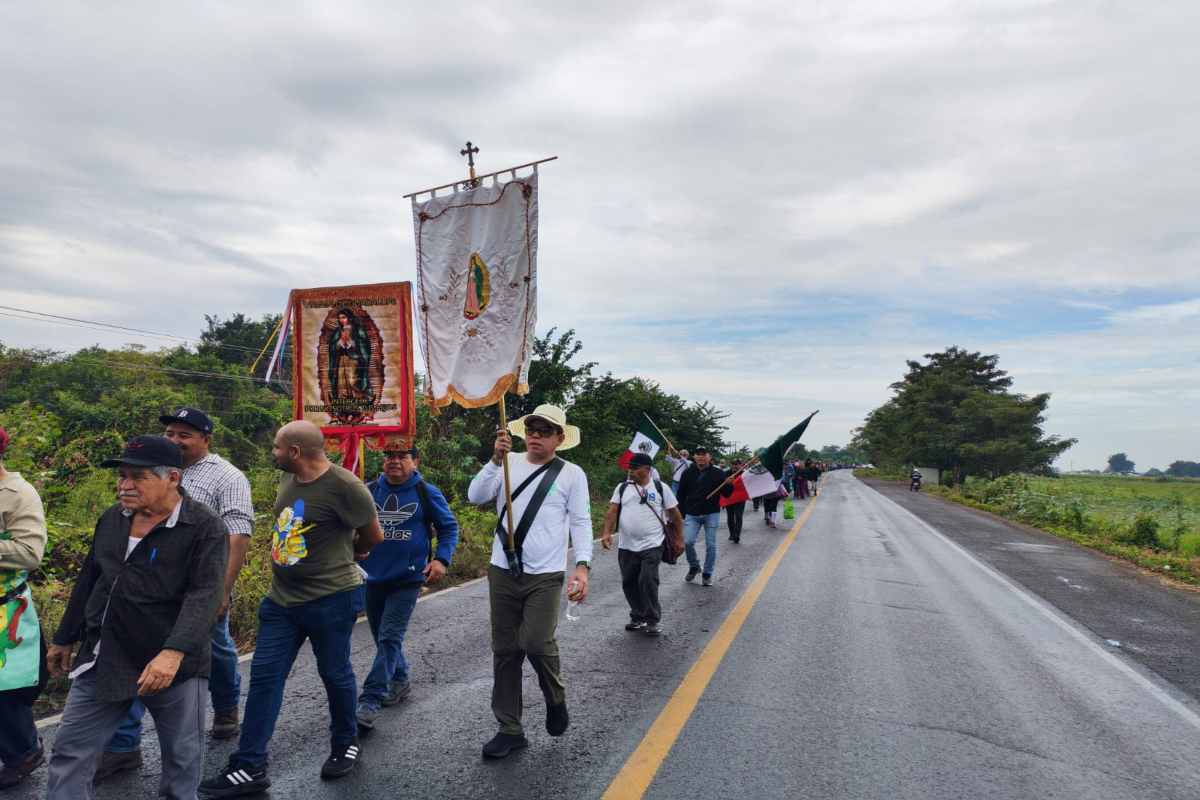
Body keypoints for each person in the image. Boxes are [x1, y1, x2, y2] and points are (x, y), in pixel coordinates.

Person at [200, 421, 382, 797]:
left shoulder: (346, 487)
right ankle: (250, 765)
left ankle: (345, 742)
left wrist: (353, 553)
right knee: (265, 678)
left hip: (332, 598)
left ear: (295, 452)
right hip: (281, 601)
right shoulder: (288, 481)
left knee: (335, 674)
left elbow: (373, 535)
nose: (273, 452)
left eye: (277, 447)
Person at [45, 436, 227, 800]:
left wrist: (172, 653)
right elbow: (91, 578)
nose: (124, 485)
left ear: (173, 477)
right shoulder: (113, 519)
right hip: (107, 654)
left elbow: (205, 596)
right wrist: (66, 636)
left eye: (137, 477)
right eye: (122, 476)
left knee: (181, 759)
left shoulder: (204, 527)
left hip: (174, 664)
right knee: (70, 751)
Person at [96, 407, 255, 783]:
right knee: (132, 655)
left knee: (215, 649)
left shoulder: (227, 476)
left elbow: (237, 534)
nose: (174, 440)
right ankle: (123, 746)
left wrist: (221, 590)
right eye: (170, 432)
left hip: (198, 587)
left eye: (184, 434)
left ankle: (227, 706)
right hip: (145, 592)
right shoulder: (149, 467)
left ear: (205, 439)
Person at [467, 404, 592, 760]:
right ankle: (510, 728)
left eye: (545, 430)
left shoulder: (571, 474)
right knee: (505, 651)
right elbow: (475, 496)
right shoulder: (508, 463)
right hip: (503, 570)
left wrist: (582, 566)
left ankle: (555, 698)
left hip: (546, 574)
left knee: (536, 643)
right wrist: (494, 459)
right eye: (532, 428)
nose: (536, 434)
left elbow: (581, 522)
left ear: (559, 438)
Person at [355, 445, 459, 730]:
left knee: (389, 637)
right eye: (390, 456)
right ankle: (399, 680)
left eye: (402, 456)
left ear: (415, 461)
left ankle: (370, 700)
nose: (394, 461)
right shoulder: (369, 490)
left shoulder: (426, 492)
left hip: (409, 578)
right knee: (382, 637)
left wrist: (441, 559)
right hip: (371, 576)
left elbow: (449, 528)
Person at [0, 427, 49, 791]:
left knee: (5, 689)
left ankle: (24, 752)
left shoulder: (18, 494)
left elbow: (30, 554)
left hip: (5, 612)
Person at [600, 452, 683, 637]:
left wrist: (679, 539)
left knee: (647, 580)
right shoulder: (622, 488)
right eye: (629, 468)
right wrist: (606, 532)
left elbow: (675, 515)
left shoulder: (661, 488)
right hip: (627, 545)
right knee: (629, 582)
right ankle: (637, 616)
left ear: (647, 469)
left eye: (635, 468)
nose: (631, 472)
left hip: (652, 543)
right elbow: (612, 511)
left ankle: (652, 619)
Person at [675, 447, 730, 587]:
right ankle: (694, 566)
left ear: (709, 457)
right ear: (694, 457)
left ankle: (707, 574)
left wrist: (728, 483)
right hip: (692, 514)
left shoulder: (718, 473)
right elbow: (680, 495)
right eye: (698, 455)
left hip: (711, 513)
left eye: (703, 455)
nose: (701, 457)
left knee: (711, 544)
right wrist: (679, 514)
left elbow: (727, 494)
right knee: (687, 542)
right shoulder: (688, 473)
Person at [724, 458, 747, 543]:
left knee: (738, 516)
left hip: (740, 498)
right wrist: (727, 481)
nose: (735, 466)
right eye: (733, 464)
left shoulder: (744, 474)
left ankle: (737, 535)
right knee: (730, 516)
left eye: (737, 464)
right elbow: (721, 484)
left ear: (740, 465)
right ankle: (732, 533)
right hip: (729, 498)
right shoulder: (726, 473)